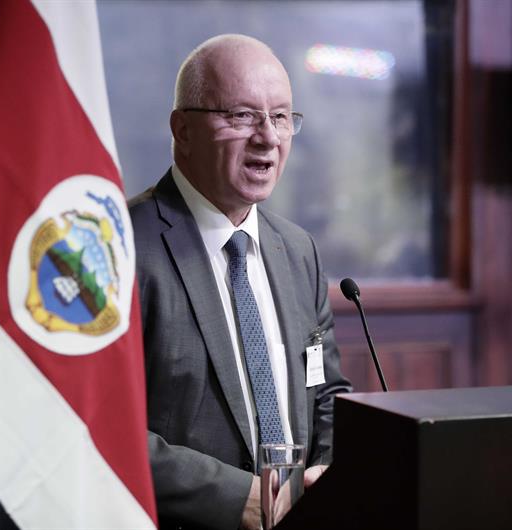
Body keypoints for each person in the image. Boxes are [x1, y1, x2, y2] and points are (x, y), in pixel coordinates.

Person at [129, 34, 353, 530]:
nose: (268, 138)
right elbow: (99, 425)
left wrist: (322, 473)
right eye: (242, 115)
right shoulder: (121, 247)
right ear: (182, 130)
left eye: (281, 117)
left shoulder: (298, 250)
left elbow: (327, 393)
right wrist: (240, 499)